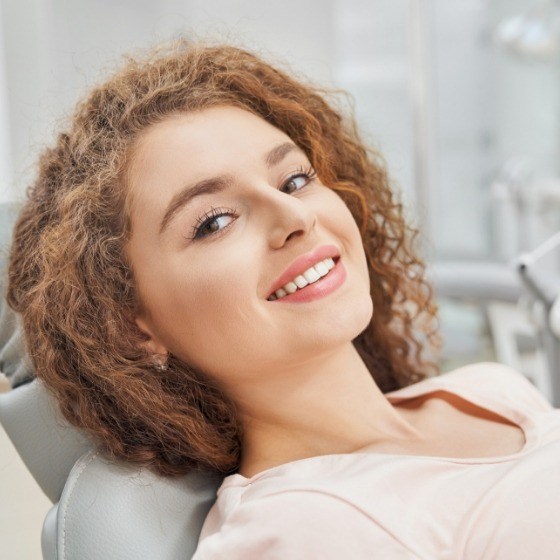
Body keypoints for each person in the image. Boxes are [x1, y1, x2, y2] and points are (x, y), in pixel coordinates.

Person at [6, 38, 560, 559]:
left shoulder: (488, 389)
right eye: (215, 222)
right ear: (134, 328)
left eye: (294, 180)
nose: (295, 216)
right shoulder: (295, 531)